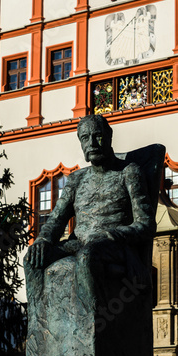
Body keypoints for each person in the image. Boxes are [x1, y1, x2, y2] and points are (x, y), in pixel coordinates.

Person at [25, 114, 155, 307]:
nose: (92, 143)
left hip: (114, 245)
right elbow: (56, 219)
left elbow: (146, 224)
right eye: (85, 138)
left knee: (87, 257)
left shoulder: (128, 172)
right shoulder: (76, 179)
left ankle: (92, 325)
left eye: (98, 136)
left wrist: (114, 234)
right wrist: (43, 240)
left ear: (109, 137)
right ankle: (39, 328)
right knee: (32, 259)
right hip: (78, 244)